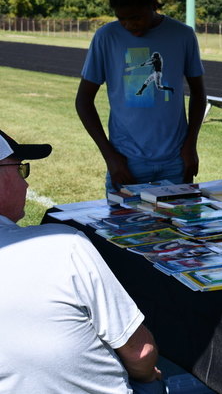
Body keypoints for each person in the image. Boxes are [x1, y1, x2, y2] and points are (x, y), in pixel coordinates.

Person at [0, 129, 164, 393]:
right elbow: (141, 354)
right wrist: (148, 377)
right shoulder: (63, 245)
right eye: (20, 170)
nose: (26, 184)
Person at [75, 0, 206, 193]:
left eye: (136, 17)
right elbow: (83, 101)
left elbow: (199, 94)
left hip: (176, 162)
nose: (129, 25)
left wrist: (190, 145)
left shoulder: (182, 35)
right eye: (121, 19)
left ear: (153, 4)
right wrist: (110, 157)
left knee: (178, 222)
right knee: (125, 220)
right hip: (127, 164)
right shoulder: (106, 37)